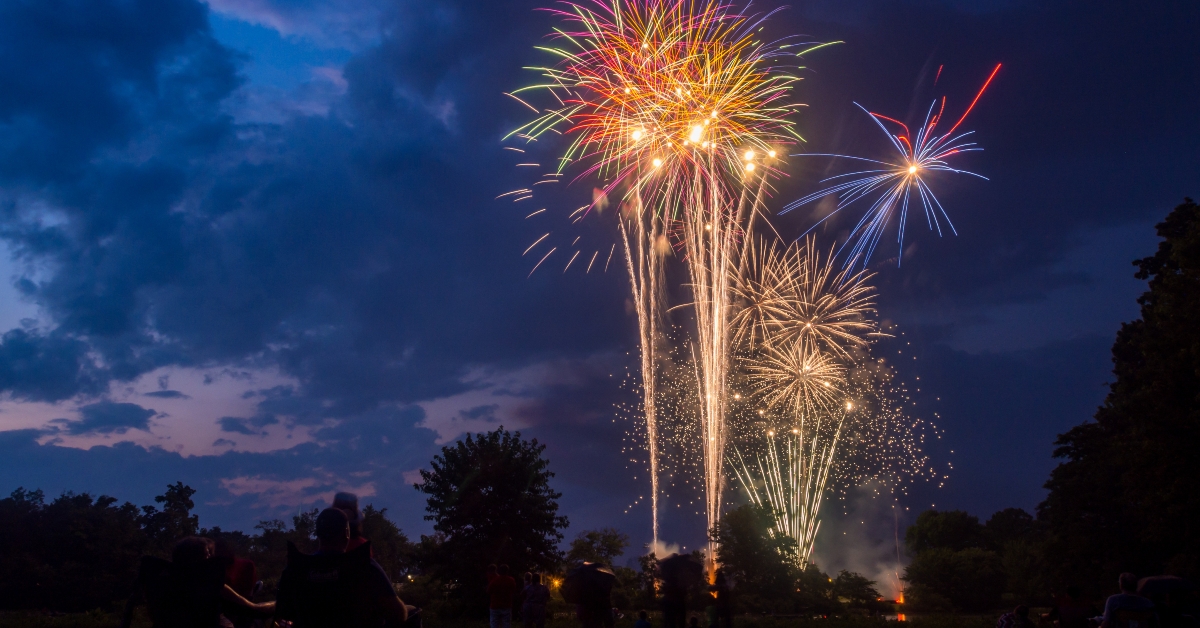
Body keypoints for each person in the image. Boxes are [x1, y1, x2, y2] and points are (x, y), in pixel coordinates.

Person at [275, 508, 412, 628]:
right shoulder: (363, 565)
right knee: (412, 612)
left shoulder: (296, 569)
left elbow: (283, 611)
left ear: (318, 534)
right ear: (347, 533)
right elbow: (399, 615)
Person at [120, 536, 273, 628]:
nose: (212, 559)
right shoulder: (207, 582)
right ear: (201, 559)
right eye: (209, 554)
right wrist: (279, 604)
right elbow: (252, 610)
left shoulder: (161, 581)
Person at [487, 564, 518, 628]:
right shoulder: (511, 580)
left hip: (495, 606)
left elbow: (488, 591)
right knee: (506, 624)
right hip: (507, 605)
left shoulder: (494, 580)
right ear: (507, 571)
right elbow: (514, 590)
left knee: (494, 624)